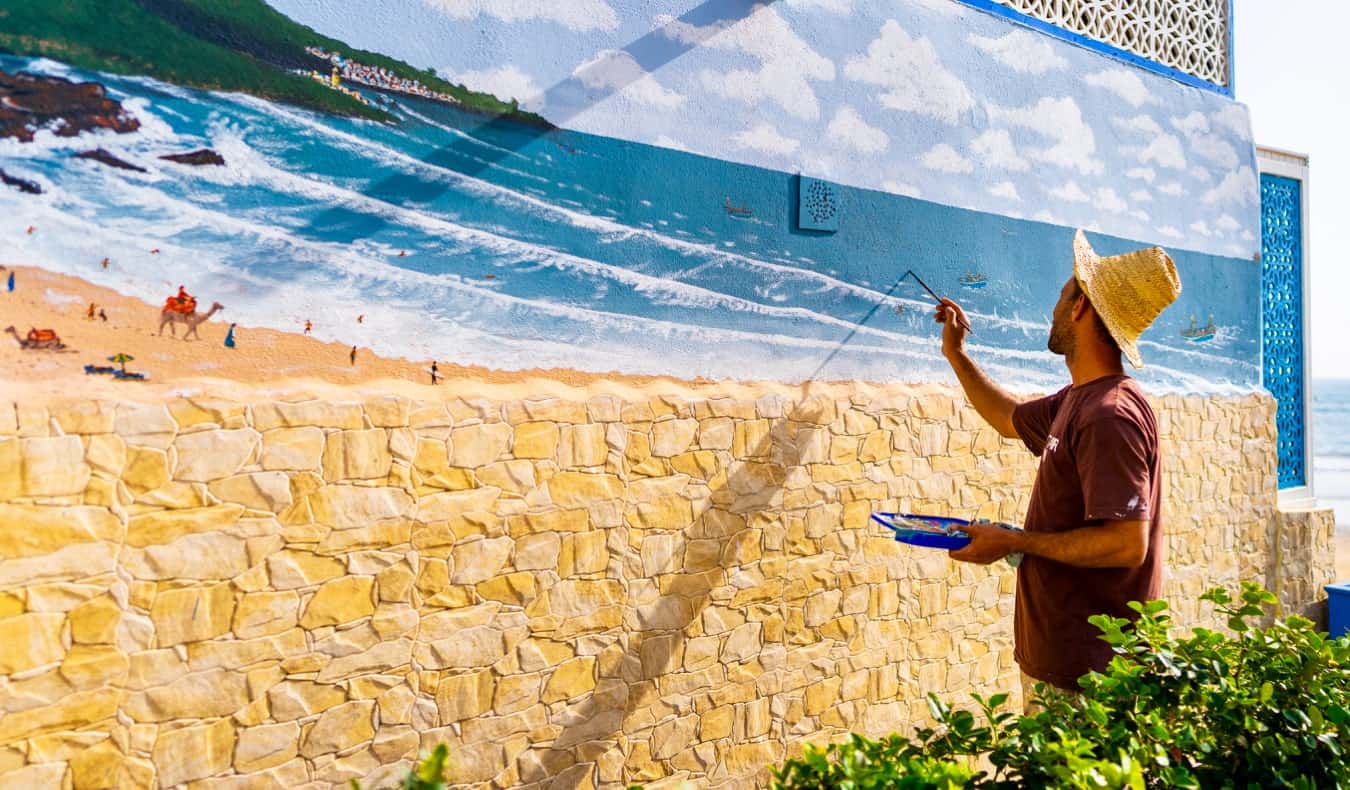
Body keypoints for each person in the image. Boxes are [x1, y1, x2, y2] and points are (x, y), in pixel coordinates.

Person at [935, 230, 1180, 708]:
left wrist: (1015, 542)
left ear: (1080, 308)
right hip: (1068, 664)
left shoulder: (1109, 414)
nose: (1054, 308)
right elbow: (1008, 418)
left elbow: (1127, 542)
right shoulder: (1080, 400)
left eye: (1062, 294)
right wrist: (956, 354)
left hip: (1088, 677)